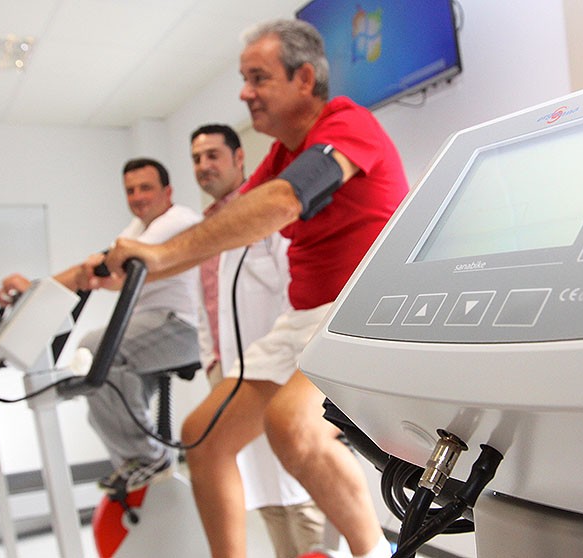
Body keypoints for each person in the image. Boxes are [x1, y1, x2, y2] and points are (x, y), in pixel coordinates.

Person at [98, 19, 408, 558]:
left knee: (290, 426)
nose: (244, 93)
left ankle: (372, 553)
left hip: (361, 315)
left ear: (304, 78)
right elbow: (226, 223)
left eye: (257, 78)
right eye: (244, 79)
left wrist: (161, 253)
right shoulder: (284, 153)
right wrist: (129, 265)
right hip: (304, 322)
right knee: (203, 436)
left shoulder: (347, 124)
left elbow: (285, 201)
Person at [0, 158, 201, 493]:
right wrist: (37, 290)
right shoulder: (135, 230)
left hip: (183, 327)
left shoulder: (177, 221)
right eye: (130, 190)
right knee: (100, 393)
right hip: (151, 326)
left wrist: (35, 290)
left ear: (168, 191)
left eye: (145, 187)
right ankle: (139, 469)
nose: (137, 196)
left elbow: (103, 267)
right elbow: (92, 273)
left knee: (96, 350)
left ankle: (149, 459)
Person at [190, 123, 326, 557]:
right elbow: (203, 307)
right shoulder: (210, 228)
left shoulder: (267, 215)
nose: (204, 166)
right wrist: (212, 361)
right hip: (232, 369)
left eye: (213, 155)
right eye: (196, 158)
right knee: (261, 485)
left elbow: (295, 292)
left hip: (279, 369)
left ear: (238, 158)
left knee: (296, 483)